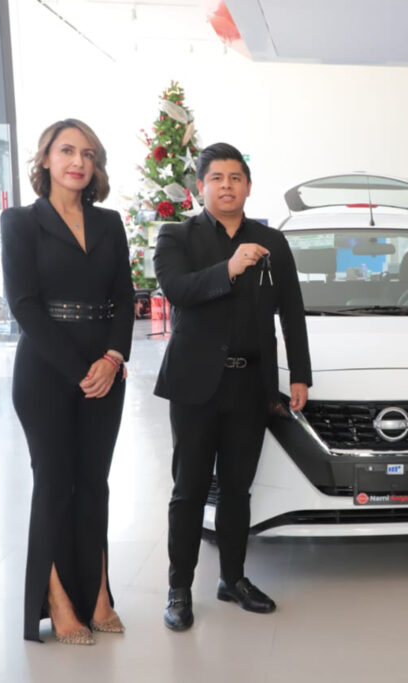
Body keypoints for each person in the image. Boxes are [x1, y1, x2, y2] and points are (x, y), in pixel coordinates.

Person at [153, 142, 312, 631]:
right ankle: (179, 589)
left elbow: (292, 311)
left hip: (250, 383)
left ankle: (233, 578)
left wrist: (300, 374)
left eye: (235, 178)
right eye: (217, 178)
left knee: (238, 490)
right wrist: (229, 268)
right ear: (201, 186)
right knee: (189, 490)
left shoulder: (272, 241)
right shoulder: (176, 236)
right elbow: (177, 290)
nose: (227, 186)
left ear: (248, 186)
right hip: (195, 386)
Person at [1, 119, 134, 644]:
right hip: (45, 371)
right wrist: (82, 370)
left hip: (105, 368)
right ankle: (57, 601)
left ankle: (98, 594)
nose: (78, 161)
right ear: (46, 159)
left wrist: (112, 358)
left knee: (94, 484)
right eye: (67, 151)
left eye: (88, 154)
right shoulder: (21, 222)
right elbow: (24, 306)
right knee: (54, 484)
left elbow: (124, 296)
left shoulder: (110, 223)